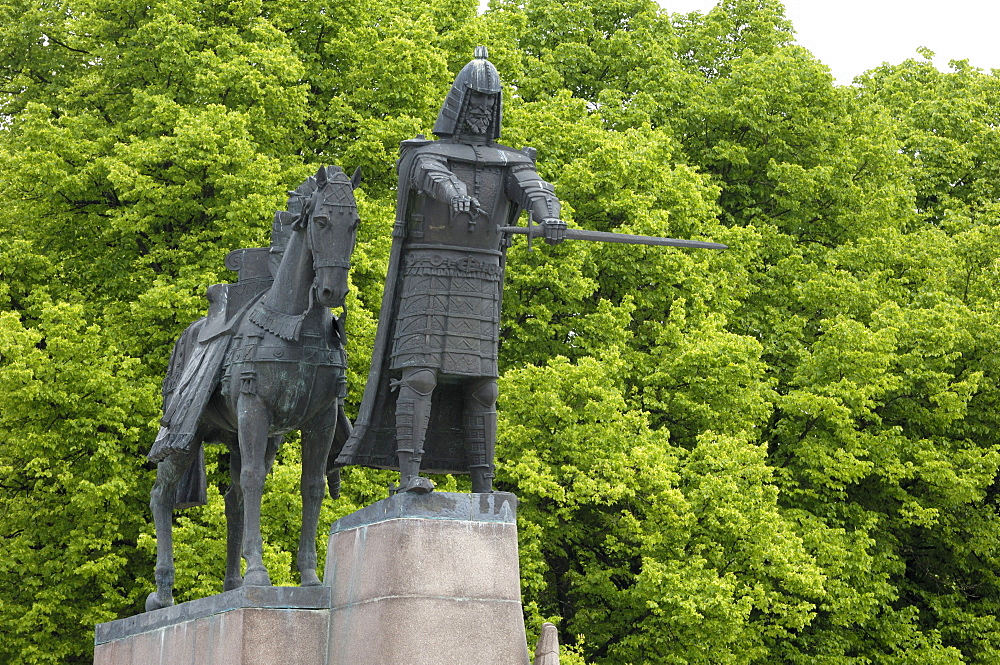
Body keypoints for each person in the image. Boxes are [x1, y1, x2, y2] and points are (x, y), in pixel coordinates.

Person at [338, 46, 565, 493]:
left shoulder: (512, 160)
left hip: (480, 278)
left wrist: (549, 216)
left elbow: (534, 188)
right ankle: (408, 478)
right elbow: (428, 174)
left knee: (483, 387)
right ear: (459, 103)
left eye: (489, 105)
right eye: (475, 103)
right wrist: (453, 190)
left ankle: (483, 485)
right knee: (420, 376)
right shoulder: (427, 154)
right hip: (429, 272)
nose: (481, 112)